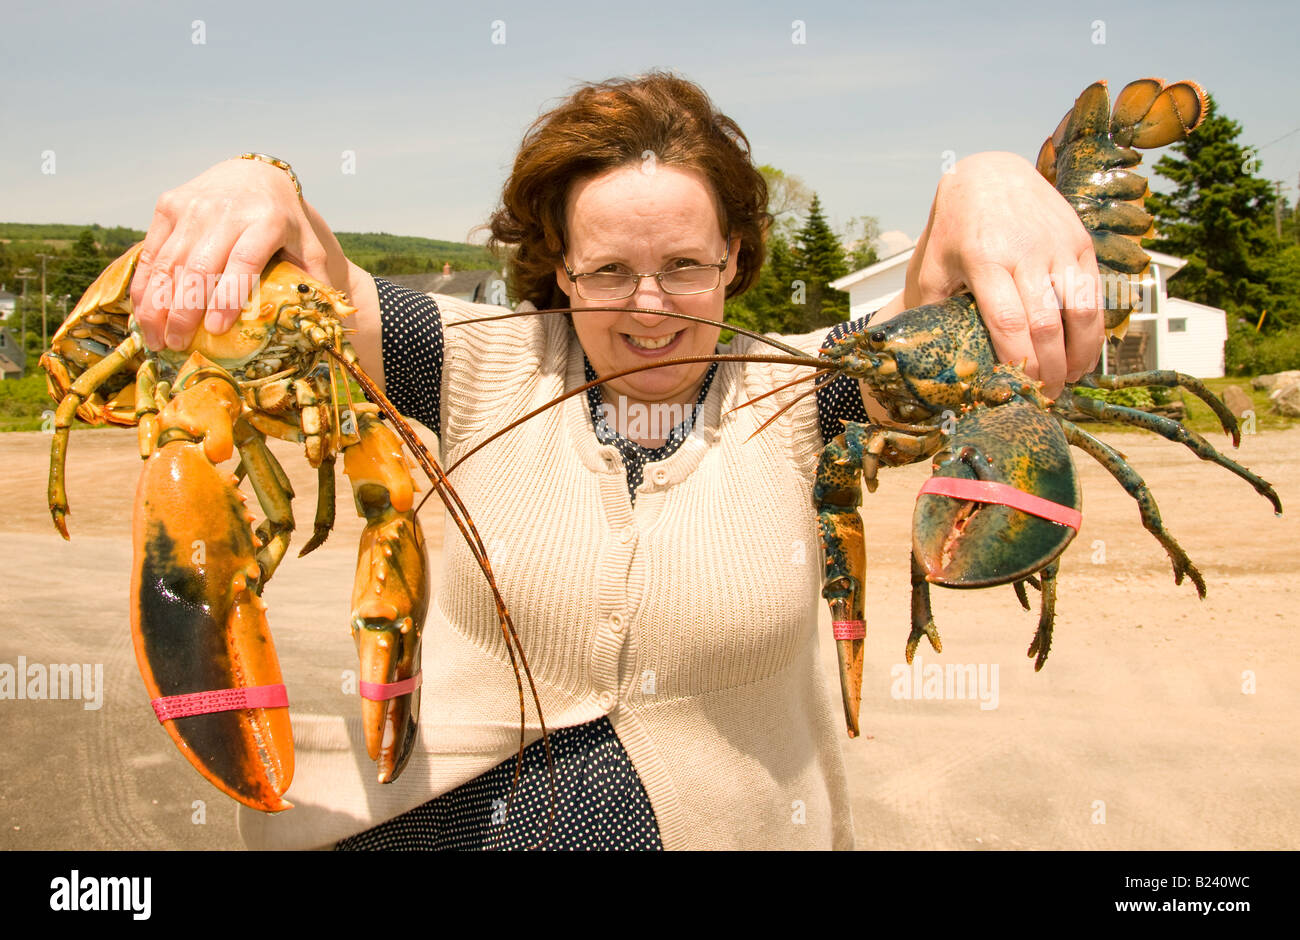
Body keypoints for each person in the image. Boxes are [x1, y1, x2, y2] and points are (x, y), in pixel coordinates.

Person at [129, 72, 1102, 850]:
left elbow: (935, 295)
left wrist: (983, 180)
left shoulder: (807, 389)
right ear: (558, 267)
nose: (648, 305)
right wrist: (257, 181)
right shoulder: (471, 359)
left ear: (733, 257)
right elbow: (318, 272)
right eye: (607, 271)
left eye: (684, 265)